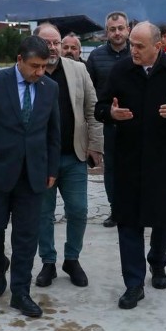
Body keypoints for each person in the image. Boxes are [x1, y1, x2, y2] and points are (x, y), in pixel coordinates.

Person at [95, 22, 166, 309]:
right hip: (128, 160)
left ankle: (158, 262)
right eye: (132, 44)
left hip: (162, 160)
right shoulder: (121, 70)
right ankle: (133, 283)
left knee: (161, 220)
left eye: (139, 46)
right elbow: (100, 108)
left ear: (158, 46)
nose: (133, 50)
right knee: (128, 222)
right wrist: (111, 113)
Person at [0, 36, 60, 318]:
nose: (40, 72)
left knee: (26, 236)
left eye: (44, 66)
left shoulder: (50, 88)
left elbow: (53, 133)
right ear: (20, 60)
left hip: (33, 175)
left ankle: (21, 292)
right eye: (35, 66)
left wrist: (52, 169)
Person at [32, 24, 103, 288]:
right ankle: (48, 261)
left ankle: (72, 259)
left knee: (79, 210)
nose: (52, 48)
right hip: (41, 158)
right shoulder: (30, 71)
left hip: (73, 155)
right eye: (47, 43)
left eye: (56, 43)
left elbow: (92, 108)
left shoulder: (78, 70)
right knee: (43, 213)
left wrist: (96, 146)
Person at [86, 11, 132, 227]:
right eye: (112, 29)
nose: (117, 33)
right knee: (111, 168)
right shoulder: (96, 57)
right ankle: (115, 209)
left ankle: (135, 207)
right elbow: (89, 91)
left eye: (121, 28)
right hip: (108, 123)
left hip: (135, 120)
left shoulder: (138, 52)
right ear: (107, 32)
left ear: (128, 29)